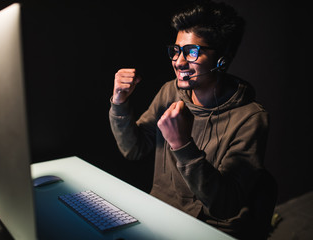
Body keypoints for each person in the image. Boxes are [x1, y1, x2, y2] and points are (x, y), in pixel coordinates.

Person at [109, 0, 274, 239]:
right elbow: (133, 149)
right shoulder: (170, 92)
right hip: (160, 215)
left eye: (192, 52)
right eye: (176, 50)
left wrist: (182, 145)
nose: (179, 61)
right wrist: (119, 102)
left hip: (211, 229)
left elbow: (225, 205)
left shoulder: (251, 118)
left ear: (222, 60)